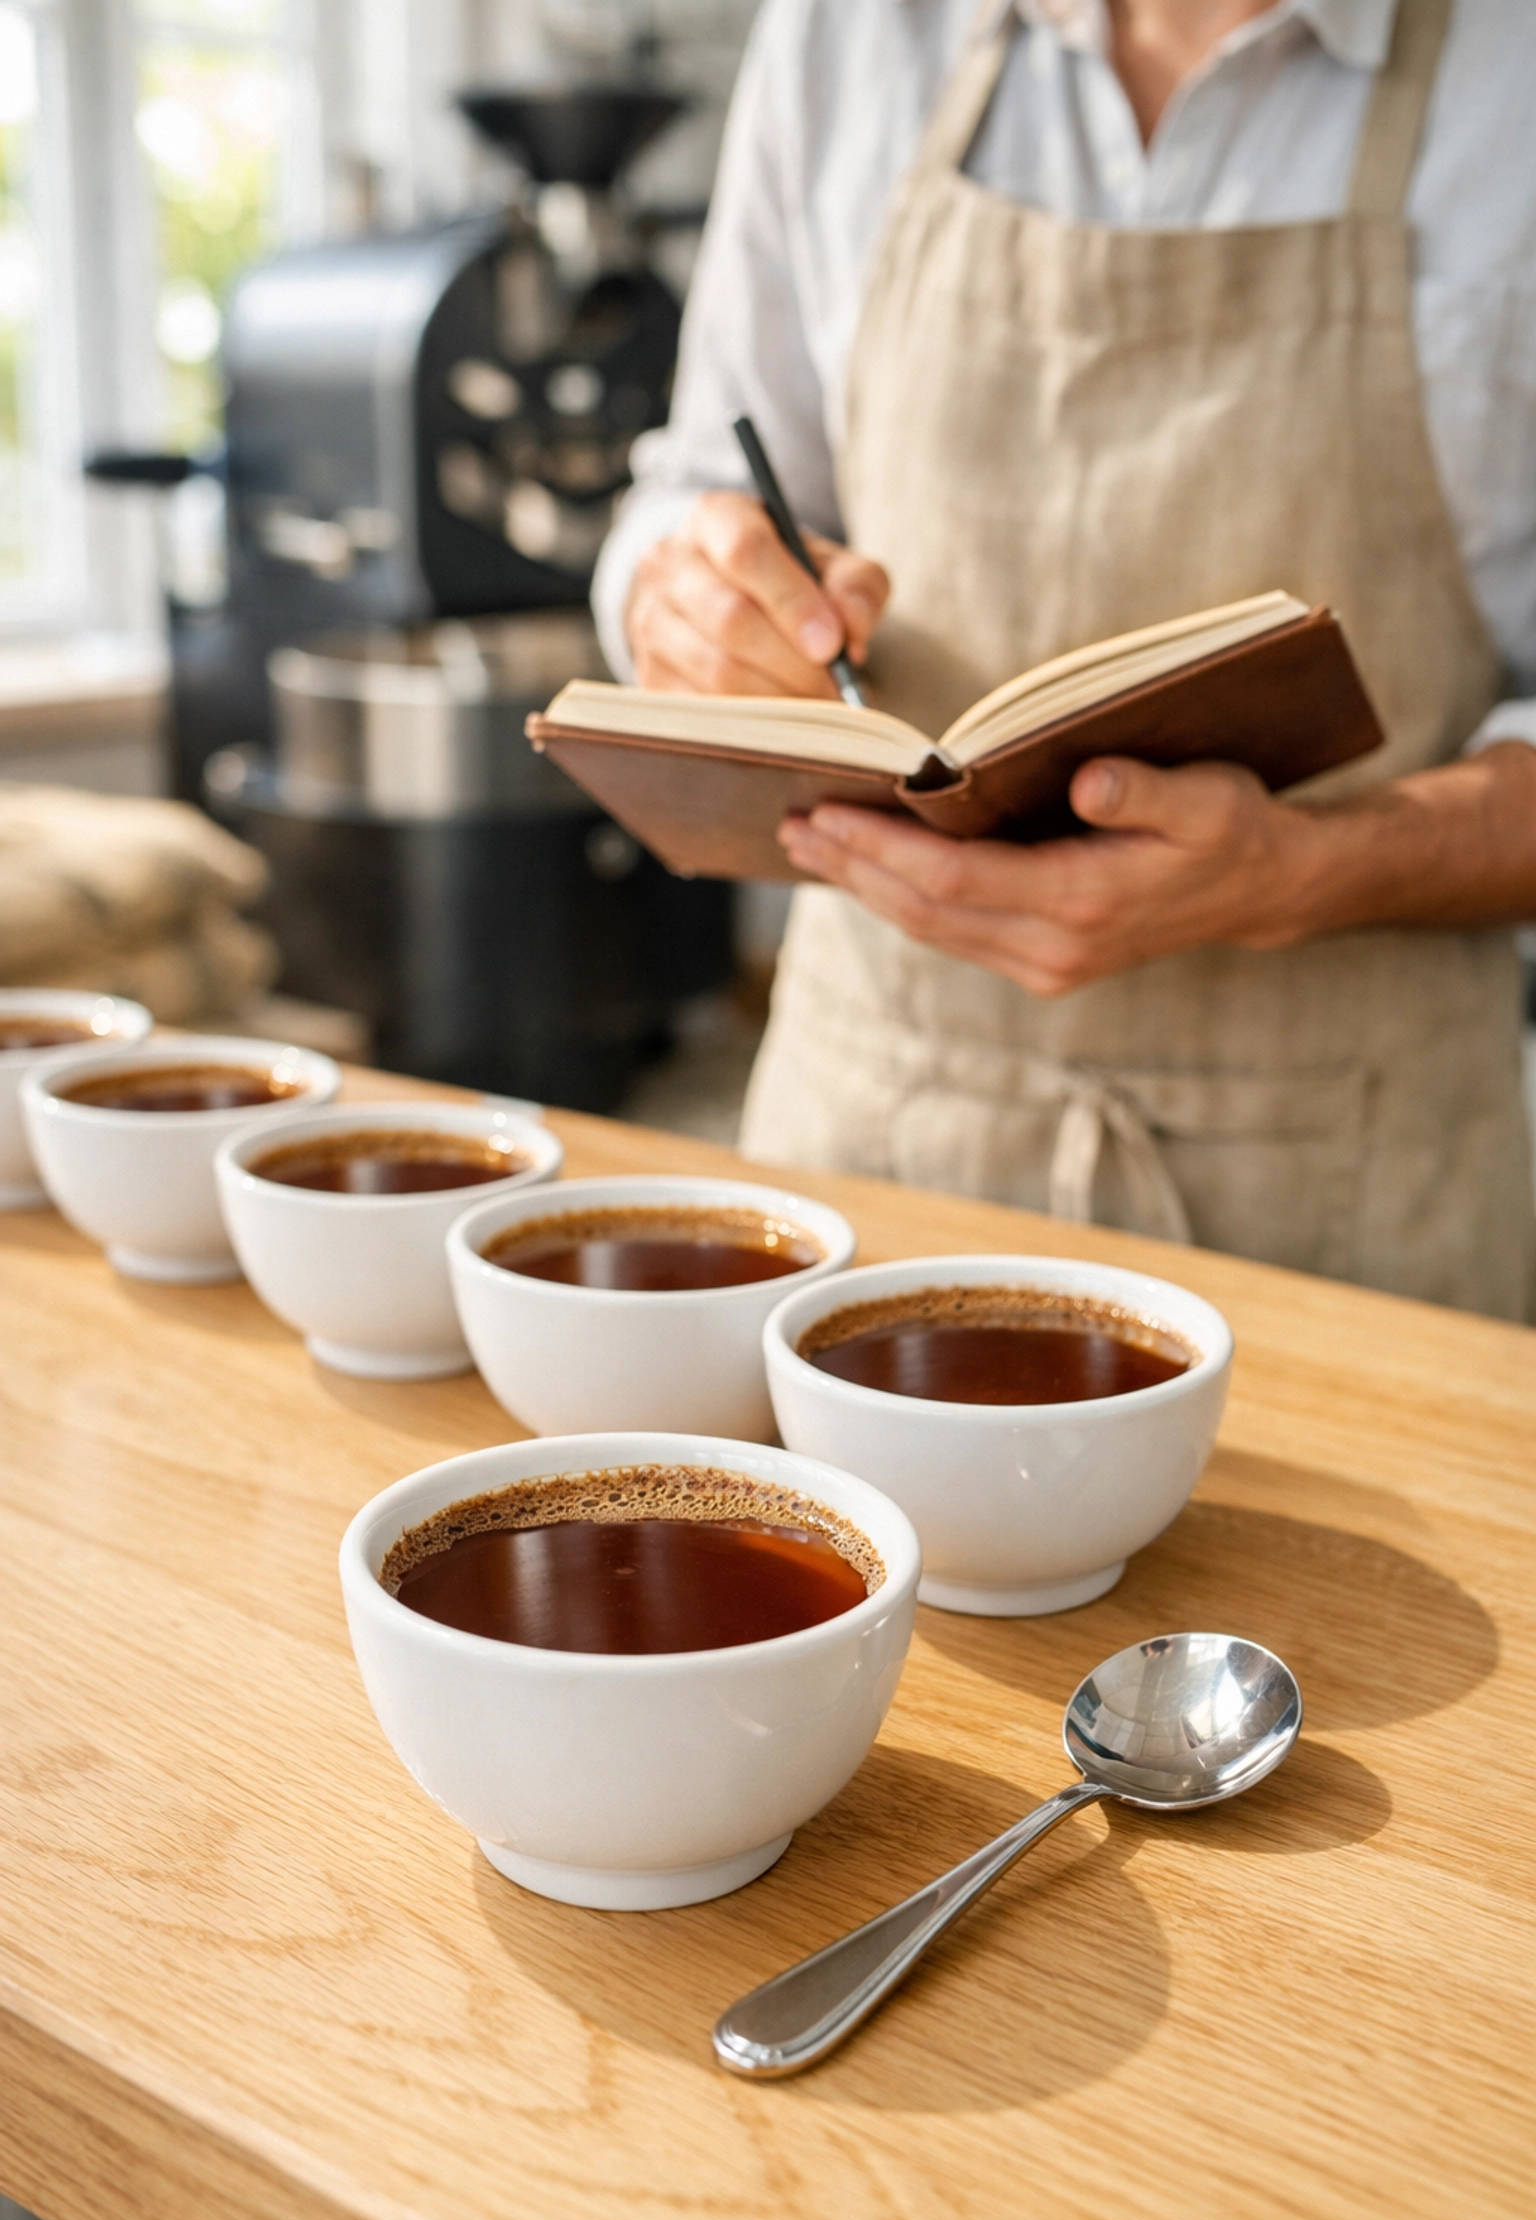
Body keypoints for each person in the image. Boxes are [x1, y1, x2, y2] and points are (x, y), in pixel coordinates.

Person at [593, 0, 1536, 1319]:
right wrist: (687, 603)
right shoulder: (846, 33)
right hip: (870, 1149)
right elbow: (698, 489)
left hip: (1363, 1209)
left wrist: (1312, 869)